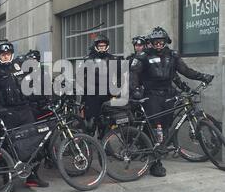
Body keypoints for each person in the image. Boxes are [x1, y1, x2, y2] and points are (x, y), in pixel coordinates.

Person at [130, 27, 214, 178]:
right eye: (155, 42)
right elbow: (134, 74)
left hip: (169, 95)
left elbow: (186, 71)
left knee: (166, 127)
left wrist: (203, 76)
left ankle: (160, 150)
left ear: (165, 41)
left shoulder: (172, 55)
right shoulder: (143, 56)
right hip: (151, 96)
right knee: (157, 129)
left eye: (161, 41)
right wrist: (135, 90)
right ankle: (155, 163)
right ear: (151, 42)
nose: (158, 44)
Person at [0, 40, 48, 188]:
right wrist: (0, 110)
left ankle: (32, 176)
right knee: (8, 148)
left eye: (8, 54)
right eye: (3, 54)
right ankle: (7, 181)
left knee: (34, 144)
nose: (6, 57)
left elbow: (32, 83)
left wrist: (43, 97)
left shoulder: (20, 66)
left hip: (25, 110)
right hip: (8, 113)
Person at [79, 34, 123, 132]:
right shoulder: (88, 59)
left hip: (107, 95)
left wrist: (116, 90)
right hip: (91, 95)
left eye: (103, 46)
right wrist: (85, 90)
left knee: (105, 123)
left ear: (107, 46)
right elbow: (80, 76)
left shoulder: (114, 59)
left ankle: (104, 144)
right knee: (90, 124)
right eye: (100, 46)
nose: (101, 48)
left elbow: (121, 77)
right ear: (96, 46)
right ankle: (89, 144)